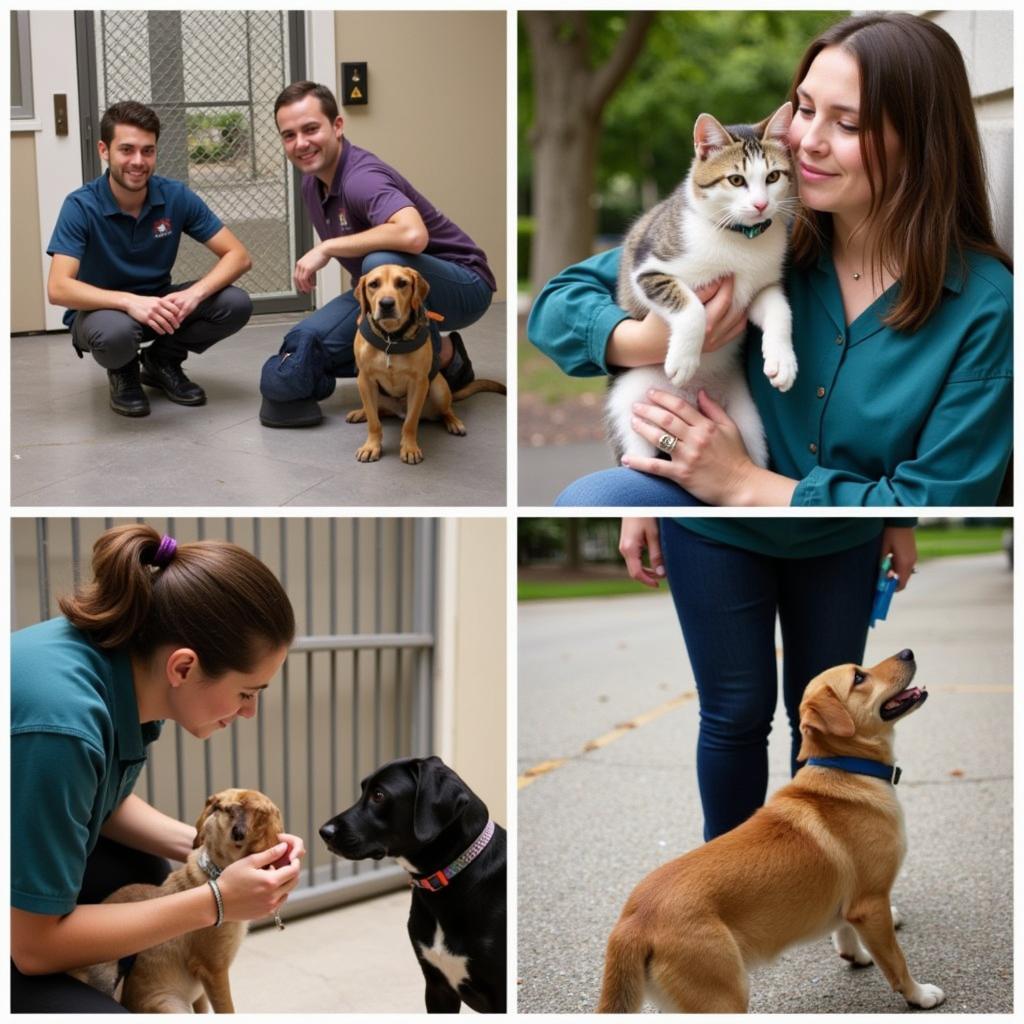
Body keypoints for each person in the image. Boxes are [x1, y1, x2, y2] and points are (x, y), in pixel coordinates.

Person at [528, 13, 1012, 506]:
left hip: (842, 536)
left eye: (846, 124)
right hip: (709, 511)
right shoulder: (752, 225)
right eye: (804, 110)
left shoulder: (984, 307)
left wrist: (744, 482)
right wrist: (644, 340)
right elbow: (556, 306)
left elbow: (941, 500)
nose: (807, 143)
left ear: (921, 144)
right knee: (600, 498)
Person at [11, 524, 305, 1013]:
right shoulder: (65, 725)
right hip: (24, 939)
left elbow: (98, 799)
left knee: (149, 870)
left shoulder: (118, 666)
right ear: (184, 668)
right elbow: (32, 947)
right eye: (247, 693)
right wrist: (217, 900)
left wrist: (217, 854)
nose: (249, 712)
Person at [619, 516, 917, 840]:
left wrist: (900, 519)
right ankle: (729, 879)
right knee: (736, 712)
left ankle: (823, 872)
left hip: (839, 523)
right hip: (710, 523)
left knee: (834, 716)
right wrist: (639, 507)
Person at [259, 81, 497, 428]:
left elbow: (413, 235)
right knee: (305, 345)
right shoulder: (311, 183)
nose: (301, 144)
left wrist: (325, 247)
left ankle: (427, 357)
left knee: (381, 262)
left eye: (311, 129)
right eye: (289, 135)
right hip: (391, 290)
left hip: (463, 285)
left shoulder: (361, 178)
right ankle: (447, 356)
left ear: (337, 126)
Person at [47, 101, 255, 418]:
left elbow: (238, 256)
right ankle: (123, 371)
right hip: (100, 314)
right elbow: (59, 288)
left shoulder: (175, 196)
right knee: (116, 333)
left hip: (158, 305)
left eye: (148, 151)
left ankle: (162, 362)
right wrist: (128, 302)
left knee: (235, 303)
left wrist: (193, 294)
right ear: (104, 150)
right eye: (127, 150)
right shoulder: (80, 206)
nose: (138, 161)